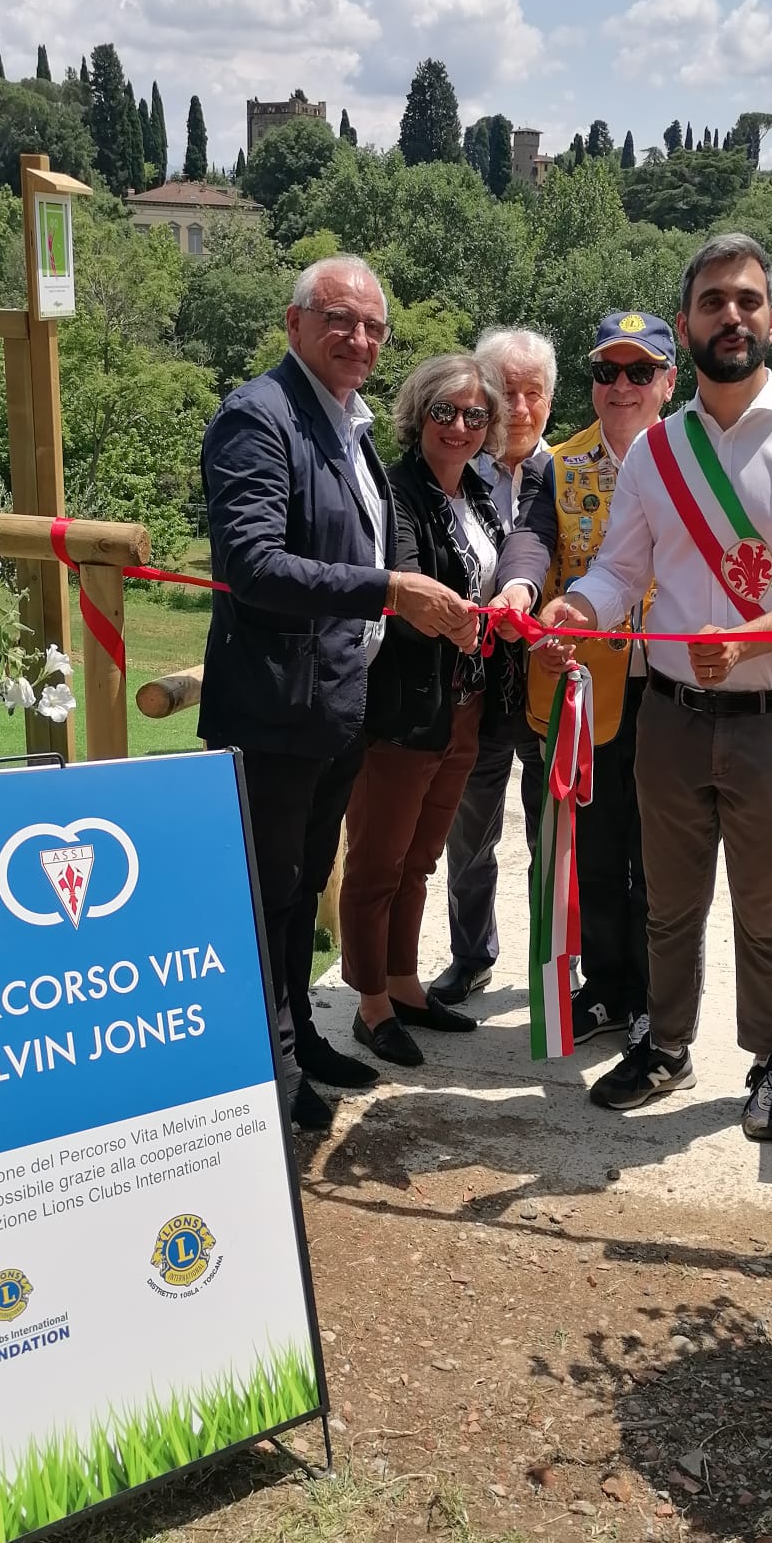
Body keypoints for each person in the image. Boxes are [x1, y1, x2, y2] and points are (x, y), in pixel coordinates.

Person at [537, 235, 772, 1139]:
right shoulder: (655, 453)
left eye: (748, 300)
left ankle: (769, 1061)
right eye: (714, 301)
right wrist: (580, 609)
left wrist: (752, 634)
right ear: (685, 325)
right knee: (671, 903)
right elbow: (618, 570)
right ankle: (666, 1044)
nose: (732, 315)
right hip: (672, 719)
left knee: (768, 914)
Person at [199, 256, 477, 1132]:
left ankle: (297, 1041)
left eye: (372, 327)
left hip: (334, 707)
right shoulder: (259, 416)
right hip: (274, 710)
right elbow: (252, 565)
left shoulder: (348, 424)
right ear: (294, 324)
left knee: (304, 882)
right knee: (267, 892)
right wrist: (390, 593)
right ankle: (265, 1069)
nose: (358, 339)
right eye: (338, 320)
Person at [492, 310, 679, 1050]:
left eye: (640, 371)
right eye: (608, 371)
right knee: (595, 852)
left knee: (659, 856)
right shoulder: (557, 464)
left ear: (669, 381)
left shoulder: (693, 463)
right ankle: (605, 988)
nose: (622, 386)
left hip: (674, 686)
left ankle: (656, 1002)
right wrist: (521, 592)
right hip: (589, 694)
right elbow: (532, 539)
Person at [339, 353, 510, 1066]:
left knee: (420, 860)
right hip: (402, 709)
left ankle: (406, 983)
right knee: (378, 862)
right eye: (445, 411)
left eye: (476, 415)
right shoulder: (395, 491)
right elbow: (405, 595)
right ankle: (370, 1003)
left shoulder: (479, 492)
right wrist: (463, 619)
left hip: (462, 707)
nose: (460, 427)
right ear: (420, 415)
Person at [430, 326, 556, 1007]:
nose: (521, 405)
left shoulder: (566, 475)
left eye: (534, 392)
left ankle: (550, 964)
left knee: (551, 836)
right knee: (469, 830)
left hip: (545, 685)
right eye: (506, 391)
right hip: (471, 688)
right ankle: (470, 954)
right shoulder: (455, 467)